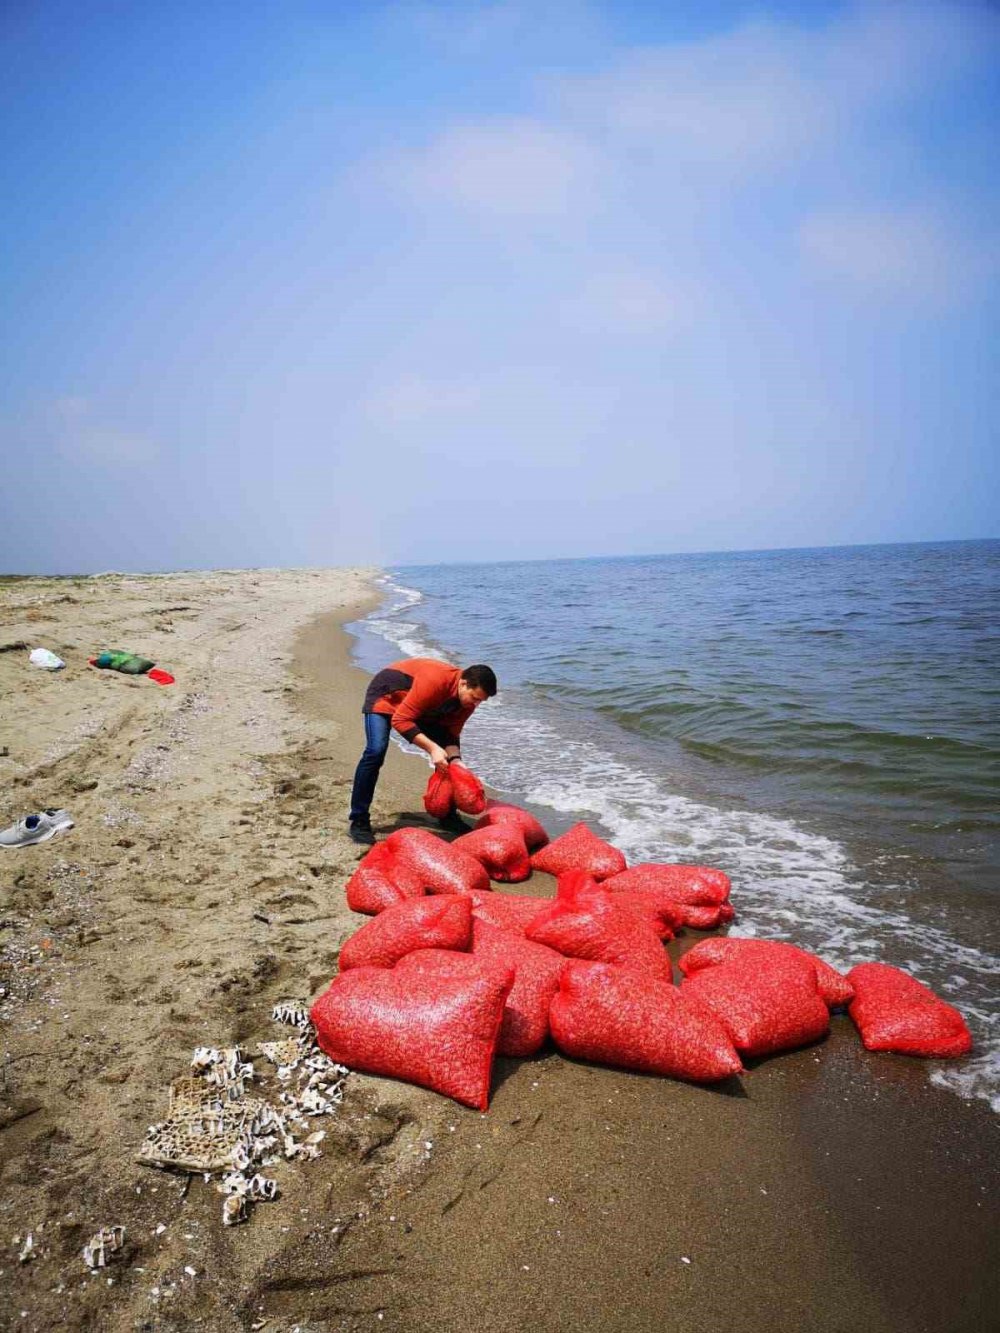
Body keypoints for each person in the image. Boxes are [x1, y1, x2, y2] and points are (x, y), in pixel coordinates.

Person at [348, 658, 498, 845]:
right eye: (475, 698)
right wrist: (432, 748)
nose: (475, 704)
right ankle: (359, 820)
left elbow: (450, 735)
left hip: (421, 706)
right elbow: (400, 720)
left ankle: (447, 816)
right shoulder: (436, 680)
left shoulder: (467, 701)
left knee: (449, 762)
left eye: (480, 701)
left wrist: (456, 761)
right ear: (463, 683)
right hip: (387, 695)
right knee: (375, 751)